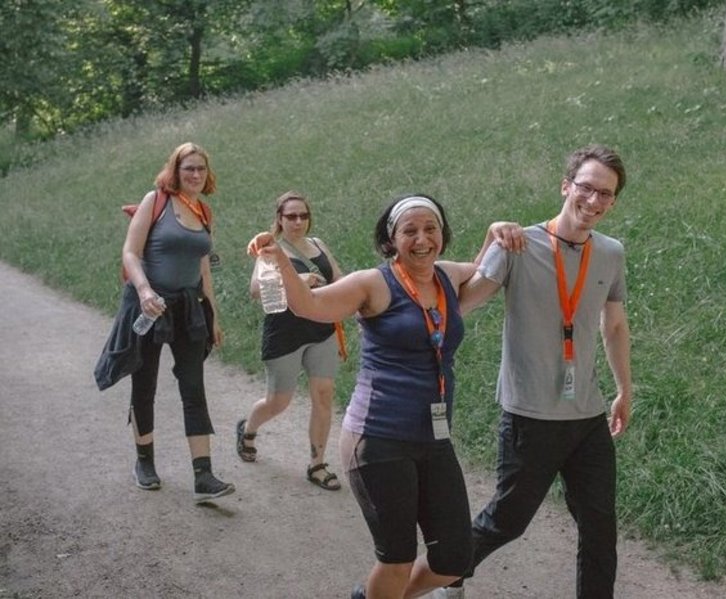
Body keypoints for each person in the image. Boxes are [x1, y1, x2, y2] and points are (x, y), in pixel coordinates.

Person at [246, 194, 522, 599]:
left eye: (430, 229)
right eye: (409, 231)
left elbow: (483, 269)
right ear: (391, 239)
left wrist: (494, 233)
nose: (422, 239)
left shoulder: (447, 275)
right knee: (396, 559)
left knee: (454, 557)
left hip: (433, 438)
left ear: (442, 234)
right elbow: (310, 305)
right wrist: (279, 261)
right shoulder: (372, 283)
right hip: (378, 438)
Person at [432, 144, 633, 598]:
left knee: (600, 527)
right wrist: (490, 240)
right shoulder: (518, 244)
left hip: (587, 416)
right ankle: (446, 574)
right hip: (530, 416)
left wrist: (624, 389)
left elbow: (615, 325)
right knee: (507, 521)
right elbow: (462, 304)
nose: (594, 201)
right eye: (586, 188)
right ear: (566, 186)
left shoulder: (610, 252)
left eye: (606, 194)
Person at [118, 142, 234, 504]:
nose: (196, 175)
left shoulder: (203, 210)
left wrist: (212, 315)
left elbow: (204, 268)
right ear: (175, 171)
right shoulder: (156, 201)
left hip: (187, 309)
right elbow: (130, 252)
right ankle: (144, 462)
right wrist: (144, 291)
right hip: (150, 307)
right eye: (189, 169)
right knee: (145, 383)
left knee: (193, 386)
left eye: (201, 169)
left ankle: (203, 474)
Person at [236, 190, 345, 491]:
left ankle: (317, 464)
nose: (298, 222)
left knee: (323, 395)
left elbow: (338, 278)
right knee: (278, 402)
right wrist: (298, 282)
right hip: (285, 334)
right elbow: (256, 290)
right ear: (280, 219)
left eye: (303, 216)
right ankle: (248, 429)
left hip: (321, 329)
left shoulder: (318, 245)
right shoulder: (271, 250)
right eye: (291, 216)